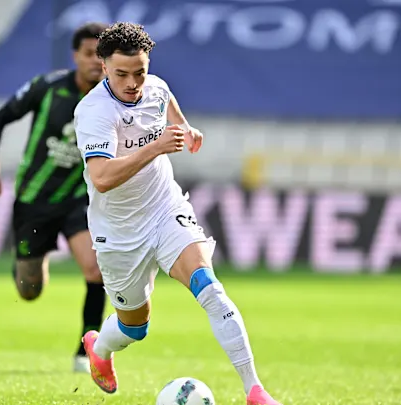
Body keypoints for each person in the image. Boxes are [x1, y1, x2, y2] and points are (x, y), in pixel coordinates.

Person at [74, 22, 283, 405]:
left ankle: (254, 391)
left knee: (211, 289)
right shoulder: (93, 111)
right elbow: (101, 178)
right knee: (134, 328)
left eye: (140, 72)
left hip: (164, 209)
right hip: (118, 231)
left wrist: (185, 128)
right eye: (121, 74)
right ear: (104, 67)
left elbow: (165, 102)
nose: (133, 83)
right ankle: (100, 349)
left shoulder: (155, 87)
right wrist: (154, 147)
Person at [0, 22, 109, 373]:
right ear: (75, 55)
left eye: (101, 56)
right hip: (34, 201)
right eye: (89, 54)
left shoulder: (111, 100)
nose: (95, 62)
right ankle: (30, 261)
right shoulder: (48, 87)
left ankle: (87, 350)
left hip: (78, 199)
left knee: (96, 270)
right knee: (29, 289)